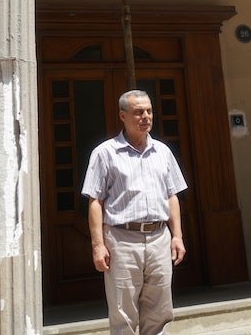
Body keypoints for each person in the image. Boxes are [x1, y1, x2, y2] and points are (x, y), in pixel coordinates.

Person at [82, 89, 188, 335]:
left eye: (149, 111)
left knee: (160, 309)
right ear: (123, 116)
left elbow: (171, 195)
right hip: (121, 239)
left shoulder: (163, 152)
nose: (146, 117)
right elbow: (95, 201)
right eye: (139, 112)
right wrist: (98, 245)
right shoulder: (105, 153)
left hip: (159, 237)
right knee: (124, 313)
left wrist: (177, 236)